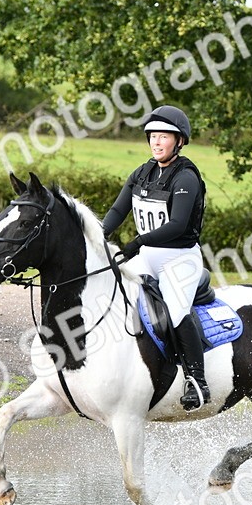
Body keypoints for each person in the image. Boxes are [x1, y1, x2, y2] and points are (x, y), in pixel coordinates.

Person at [102, 105, 210, 411]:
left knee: (175, 311)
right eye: (153, 136)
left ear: (179, 141)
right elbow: (117, 212)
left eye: (164, 136)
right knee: (114, 292)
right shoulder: (142, 172)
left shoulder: (186, 177)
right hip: (147, 255)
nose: (156, 142)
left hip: (180, 259)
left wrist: (138, 242)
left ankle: (197, 381)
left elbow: (176, 224)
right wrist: (96, 236)